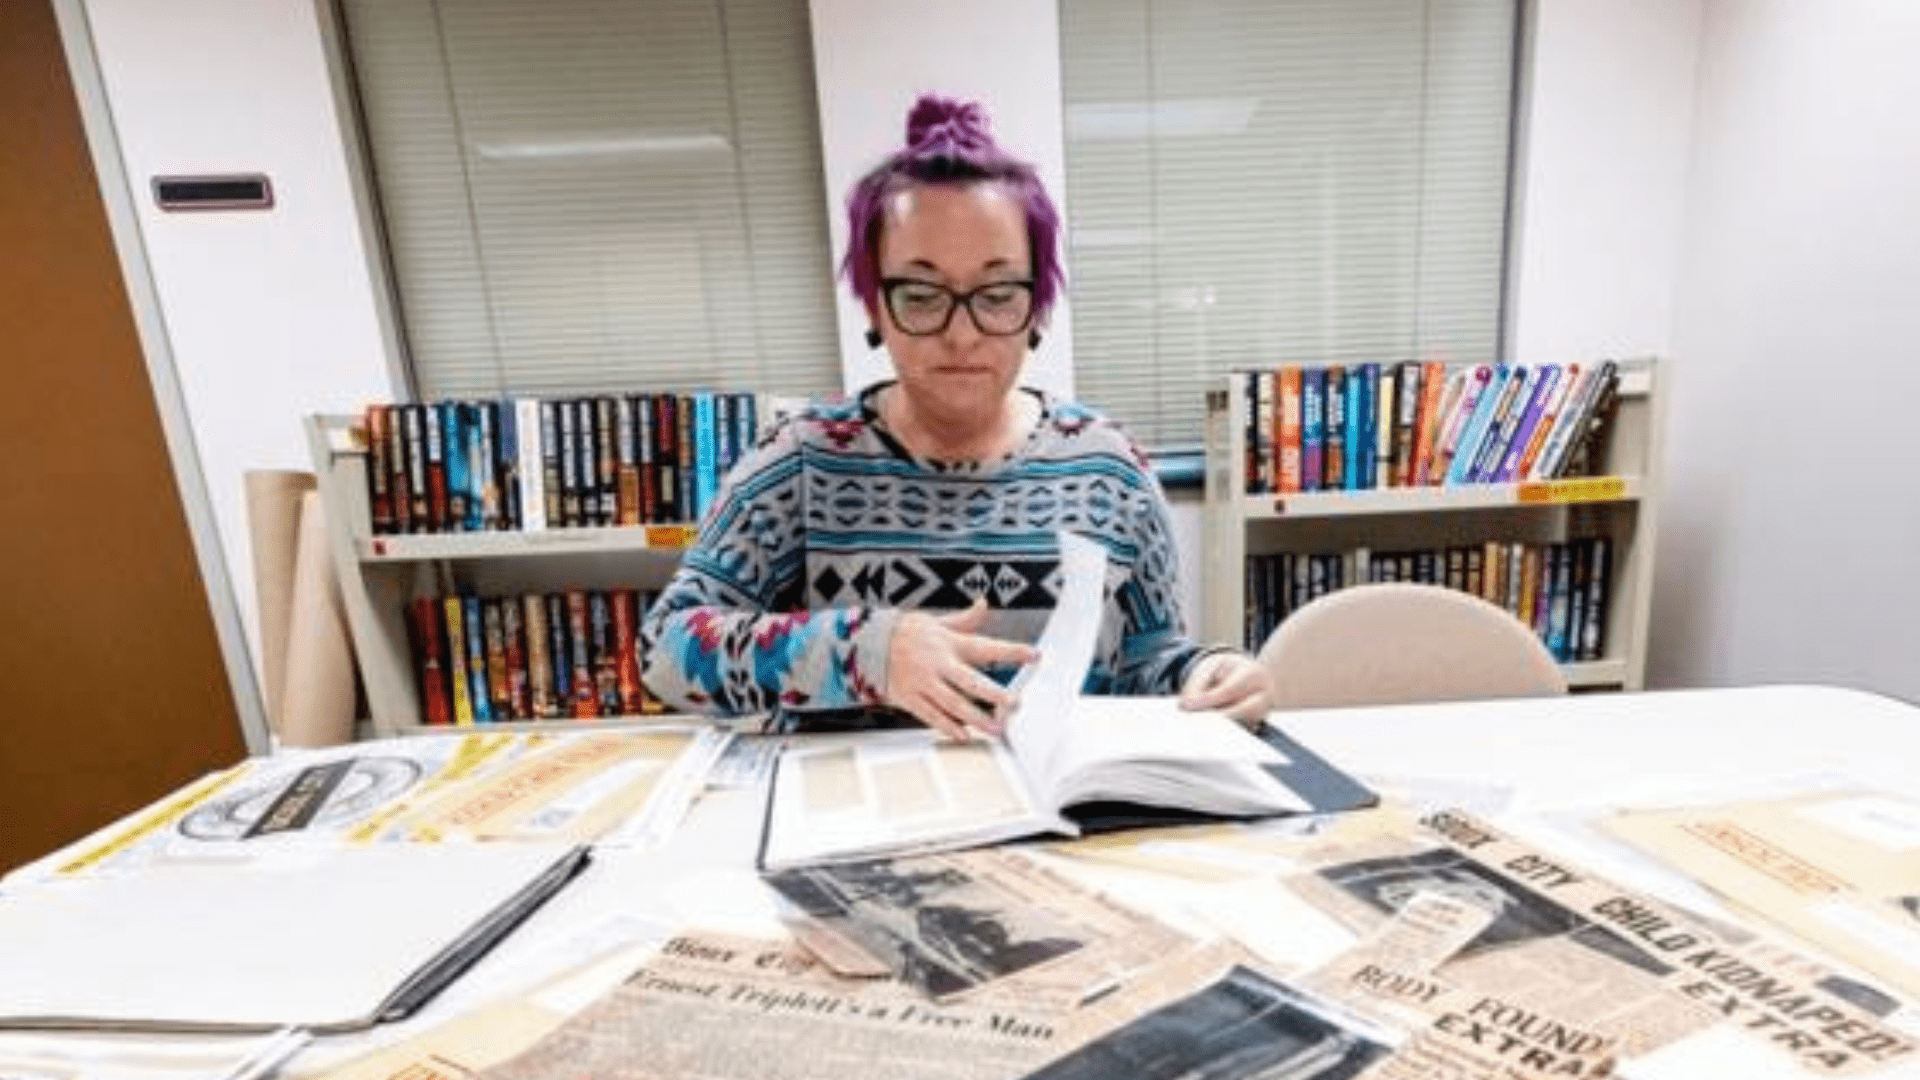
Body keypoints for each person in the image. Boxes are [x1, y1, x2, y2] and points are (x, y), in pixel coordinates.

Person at [640, 94, 1272, 737]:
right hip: (859, 821)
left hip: (1066, 820)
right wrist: (868, 651)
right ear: (875, 306)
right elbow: (666, 651)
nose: (962, 334)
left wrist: (1207, 673)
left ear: (1038, 308)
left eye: (997, 296)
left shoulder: (1109, 469)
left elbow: (1148, 663)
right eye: (921, 295)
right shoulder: (800, 463)